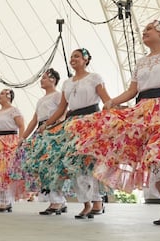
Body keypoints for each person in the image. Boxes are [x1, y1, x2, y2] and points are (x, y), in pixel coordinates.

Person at [67, 20, 160, 225]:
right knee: (152, 161)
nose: (145, 32)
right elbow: (133, 91)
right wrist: (113, 101)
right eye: (144, 29)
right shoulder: (141, 62)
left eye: (149, 28)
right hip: (145, 112)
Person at [37, 48, 111, 219]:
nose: (73, 59)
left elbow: (106, 100)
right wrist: (47, 124)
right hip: (72, 124)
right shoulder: (67, 83)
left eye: (77, 56)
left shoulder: (94, 78)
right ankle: (86, 203)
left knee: (91, 161)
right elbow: (62, 108)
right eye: (71, 57)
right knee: (74, 164)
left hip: (91, 121)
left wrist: (116, 110)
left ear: (86, 59)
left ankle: (97, 201)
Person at [15, 68, 67, 215]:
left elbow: (62, 113)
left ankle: (56, 202)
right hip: (41, 131)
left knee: (52, 166)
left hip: (53, 130)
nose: (41, 80)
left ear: (53, 79)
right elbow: (34, 120)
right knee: (40, 166)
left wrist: (55, 129)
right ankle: (57, 200)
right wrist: (23, 137)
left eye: (44, 77)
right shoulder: (41, 100)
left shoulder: (58, 96)